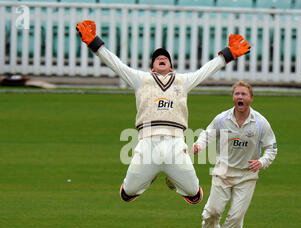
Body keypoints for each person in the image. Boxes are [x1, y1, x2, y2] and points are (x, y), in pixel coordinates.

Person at [76, 20, 251, 204]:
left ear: (171, 66)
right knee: (126, 194)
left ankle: (173, 181)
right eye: (158, 57)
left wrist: (227, 54)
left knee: (195, 195)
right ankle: (150, 177)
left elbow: (205, 71)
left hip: (175, 143)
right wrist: (93, 42)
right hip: (147, 143)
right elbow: (116, 65)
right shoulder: (141, 79)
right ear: (152, 67)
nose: (162, 58)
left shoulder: (182, 81)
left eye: (165, 57)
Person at [192, 81, 277, 228]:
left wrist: (262, 162)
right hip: (223, 171)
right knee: (212, 212)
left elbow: (272, 148)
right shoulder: (222, 118)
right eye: (237, 94)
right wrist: (199, 145)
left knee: (236, 218)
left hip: (247, 176)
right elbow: (208, 133)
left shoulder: (260, 123)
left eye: (244, 94)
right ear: (233, 97)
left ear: (251, 98)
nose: (240, 97)